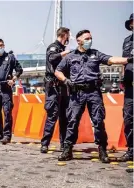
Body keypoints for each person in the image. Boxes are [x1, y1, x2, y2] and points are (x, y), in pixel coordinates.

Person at [55, 29, 131, 163]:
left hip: (93, 93)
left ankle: (102, 150)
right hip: (76, 93)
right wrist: (66, 81)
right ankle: (67, 149)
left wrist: (129, 59)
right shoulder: (70, 56)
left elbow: (111, 59)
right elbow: (58, 71)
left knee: (98, 121)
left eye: (90, 38)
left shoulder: (96, 54)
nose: (90, 40)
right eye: (87, 39)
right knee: (72, 121)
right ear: (79, 41)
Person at [40, 27, 71, 153]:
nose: (69, 38)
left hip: (63, 87)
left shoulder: (64, 49)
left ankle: (64, 144)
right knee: (52, 116)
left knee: (65, 117)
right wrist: (65, 53)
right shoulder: (53, 47)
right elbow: (52, 58)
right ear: (64, 35)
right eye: (68, 35)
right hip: (53, 87)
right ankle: (45, 143)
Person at [120, 13, 133, 162]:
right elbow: (124, 62)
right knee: (129, 119)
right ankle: (131, 150)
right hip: (130, 88)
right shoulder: (126, 41)